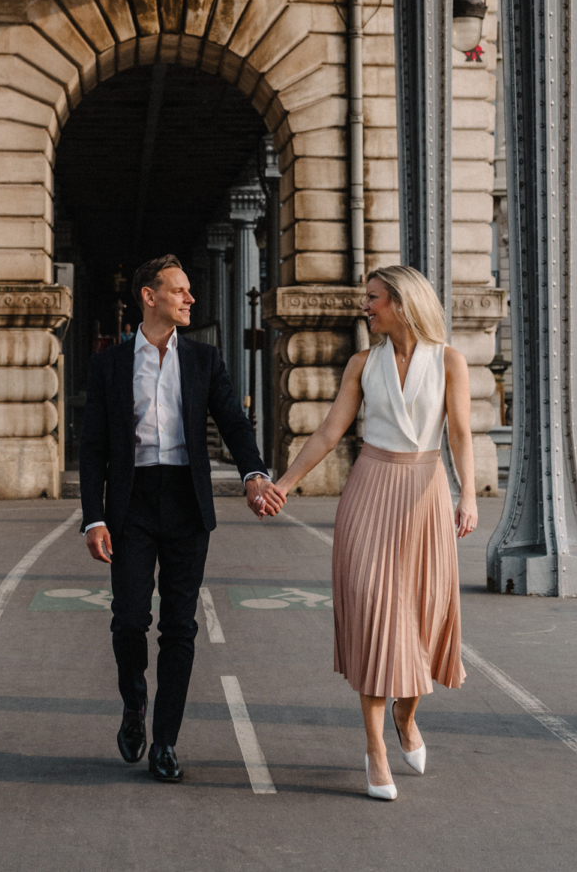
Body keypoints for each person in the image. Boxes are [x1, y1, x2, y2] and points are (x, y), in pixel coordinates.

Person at [267, 265, 476, 801]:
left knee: (424, 622)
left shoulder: (449, 361)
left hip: (425, 496)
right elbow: (330, 430)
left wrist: (468, 495)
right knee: (376, 617)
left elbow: (459, 433)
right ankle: (375, 748)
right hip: (369, 493)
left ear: (402, 303)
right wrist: (286, 483)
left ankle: (407, 718)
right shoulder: (363, 364)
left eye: (374, 297)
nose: (366, 305)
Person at [80, 253, 284, 782]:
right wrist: (93, 518)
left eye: (191, 291)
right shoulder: (109, 365)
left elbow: (234, 424)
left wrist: (254, 474)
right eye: (179, 290)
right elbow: (94, 447)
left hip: (188, 503)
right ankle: (134, 705)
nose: (190, 299)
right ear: (149, 296)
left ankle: (165, 741)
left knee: (179, 627)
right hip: (133, 503)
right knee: (128, 619)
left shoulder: (204, 360)